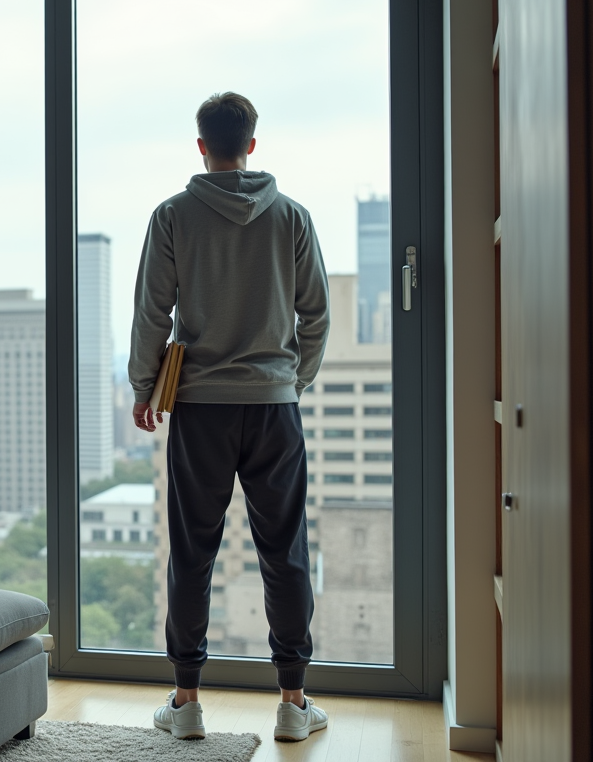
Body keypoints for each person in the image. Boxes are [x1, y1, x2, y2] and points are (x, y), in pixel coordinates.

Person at [129, 92, 331, 743]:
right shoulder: (292, 218)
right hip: (274, 410)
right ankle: (293, 706)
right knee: (285, 553)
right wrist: (290, 380)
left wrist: (143, 386)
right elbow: (316, 314)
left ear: (200, 145)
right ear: (252, 142)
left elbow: (152, 314)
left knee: (193, 553)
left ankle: (186, 703)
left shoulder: (173, 216)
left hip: (202, 414)